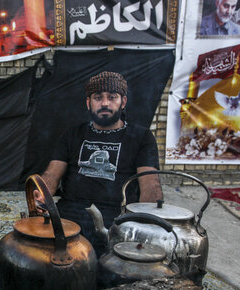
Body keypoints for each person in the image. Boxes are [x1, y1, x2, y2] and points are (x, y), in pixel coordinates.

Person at [37, 71, 163, 257]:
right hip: (69, 215)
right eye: (98, 98)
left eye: (112, 97)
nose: (105, 103)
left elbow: (150, 184)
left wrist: (143, 225)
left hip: (118, 219)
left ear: (123, 102)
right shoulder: (72, 134)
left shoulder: (141, 137)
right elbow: (52, 175)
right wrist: (41, 192)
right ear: (89, 103)